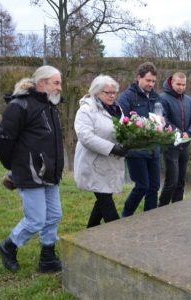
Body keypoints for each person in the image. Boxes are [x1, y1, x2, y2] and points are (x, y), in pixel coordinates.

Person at [0, 65, 64, 273]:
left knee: (54, 215)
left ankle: (48, 257)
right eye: (56, 83)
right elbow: (1, 141)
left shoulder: (50, 105)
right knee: (35, 220)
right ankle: (9, 246)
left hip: (50, 173)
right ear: (42, 83)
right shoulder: (20, 105)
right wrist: (16, 167)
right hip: (30, 173)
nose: (60, 88)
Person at [73, 75, 127, 228]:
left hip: (110, 164)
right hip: (93, 164)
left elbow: (122, 130)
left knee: (104, 198)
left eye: (114, 92)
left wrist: (129, 142)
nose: (112, 96)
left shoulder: (117, 109)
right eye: (107, 92)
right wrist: (112, 148)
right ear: (96, 92)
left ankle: (90, 231)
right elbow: (85, 136)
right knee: (107, 203)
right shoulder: (86, 110)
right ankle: (119, 235)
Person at [117, 62, 162, 217]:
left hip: (153, 149)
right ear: (139, 78)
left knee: (154, 186)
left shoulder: (156, 97)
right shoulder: (127, 97)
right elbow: (121, 121)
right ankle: (126, 215)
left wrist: (164, 124)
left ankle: (150, 218)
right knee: (142, 186)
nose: (151, 84)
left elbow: (162, 117)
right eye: (148, 80)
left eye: (153, 81)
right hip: (136, 150)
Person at [158, 72, 191, 206]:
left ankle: (177, 208)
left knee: (181, 182)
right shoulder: (162, 98)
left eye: (184, 84)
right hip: (170, 146)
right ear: (171, 83)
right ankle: (162, 209)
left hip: (185, 146)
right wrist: (180, 133)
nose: (181, 87)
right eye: (178, 84)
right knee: (172, 182)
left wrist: (189, 132)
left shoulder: (189, 100)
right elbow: (163, 120)